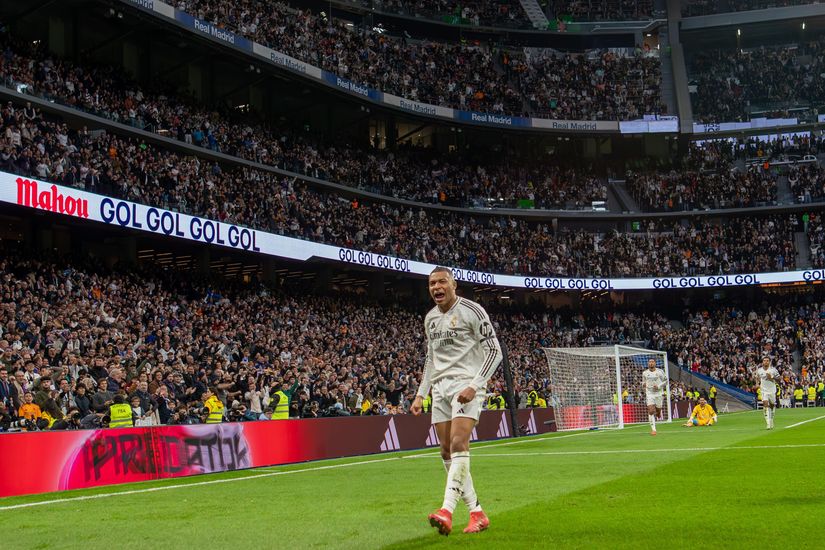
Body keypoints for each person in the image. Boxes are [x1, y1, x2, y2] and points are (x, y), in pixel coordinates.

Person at [411, 267, 501, 536]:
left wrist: (475, 385)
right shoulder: (430, 319)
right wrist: (420, 393)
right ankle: (477, 513)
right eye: (431, 283)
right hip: (440, 388)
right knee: (446, 452)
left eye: (441, 282)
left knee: (459, 443)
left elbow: (494, 351)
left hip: (466, 383)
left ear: (453, 284)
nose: (436, 287)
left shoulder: (472, 311)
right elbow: (431, 359)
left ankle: (446, 510)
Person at [642, 358, 667, 436]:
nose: (651, 363)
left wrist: (659, 386)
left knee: (658, 409)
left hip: (659, 393)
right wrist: (643, 384)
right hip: (650, 393)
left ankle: (659, 412)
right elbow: (643, 382)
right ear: (648, 363)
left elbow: (666, 381)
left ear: (655, 363)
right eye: (649, 362)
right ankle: (653, 429)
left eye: (652, 362)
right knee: (651, 411)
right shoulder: (645, 373)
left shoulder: (660, 372)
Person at [755, 357, 780, 429]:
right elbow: (757, 377)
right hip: (763, 390)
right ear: (762, 362)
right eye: (764, 361)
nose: (766, 362)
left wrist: (772, 377)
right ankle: (768, 423)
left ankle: (771, 419)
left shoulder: (773, 370)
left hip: (772, 390)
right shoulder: (759, 370)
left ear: (769, 362)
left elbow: (779, 379)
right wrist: (757, 384)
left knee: (772, 405)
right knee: (765, 404)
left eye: (767, 361)